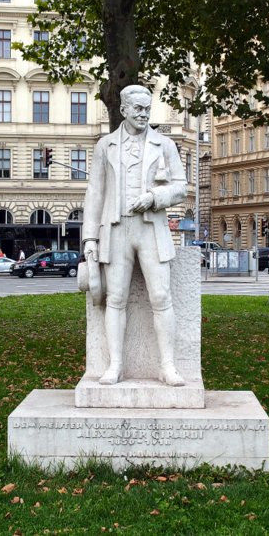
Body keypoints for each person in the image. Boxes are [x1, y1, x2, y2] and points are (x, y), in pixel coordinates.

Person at [83, 84, 187, 386]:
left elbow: (181, 186)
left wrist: (155, 197)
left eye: (147, 109)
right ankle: (114, 365)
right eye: (138, 109)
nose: (143, 114)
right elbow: (95, 192)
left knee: (161, 296)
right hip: (116, 229)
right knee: (115, 298)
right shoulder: (105, 146)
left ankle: (167, 366)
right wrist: (90, 239)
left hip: (150, 228)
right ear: (123, 109)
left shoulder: (164, 144)